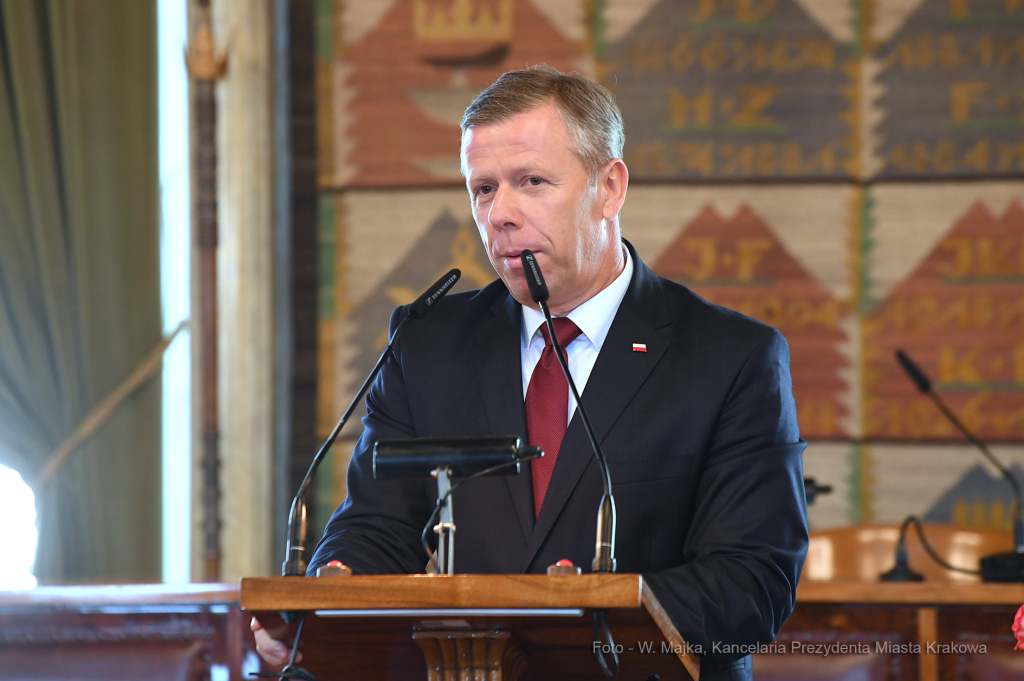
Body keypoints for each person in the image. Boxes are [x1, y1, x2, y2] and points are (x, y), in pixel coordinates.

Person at [254, 65, 808, 680]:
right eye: (484, 189)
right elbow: (377, 525)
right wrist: (331, 596)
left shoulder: (730, 356)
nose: (500, 215)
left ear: (610, 187)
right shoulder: (428, 343)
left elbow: (753, 581)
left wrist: (585, 615)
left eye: (532, 182)